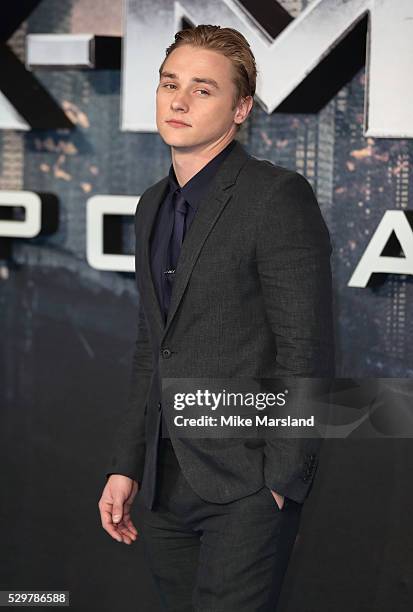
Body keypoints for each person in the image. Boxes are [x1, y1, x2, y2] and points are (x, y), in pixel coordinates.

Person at [98, 24, 335, 611]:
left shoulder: (276, 196)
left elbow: (305, 350)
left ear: (241, 108)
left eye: (203, 90)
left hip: (246, 484)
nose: (177, 101)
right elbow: (152, 345)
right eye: (169, 83)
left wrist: (281, 482)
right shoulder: (152, 202)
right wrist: (127, 464)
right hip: (162, 481)